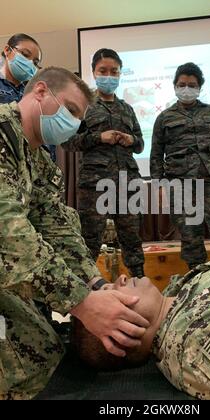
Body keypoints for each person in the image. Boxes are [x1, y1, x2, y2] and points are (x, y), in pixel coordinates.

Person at [0, 66, 149, 400]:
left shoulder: (38, 159)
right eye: (69, 110)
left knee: (44, 347)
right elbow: (10, 238)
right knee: (21, 359)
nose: (72, 123)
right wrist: (82, 304)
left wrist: (96, 284)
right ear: (40, 92)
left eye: (78, 118)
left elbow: (58, 229)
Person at [73, 232, 210, 400]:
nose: (121, 278)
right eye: (111, 292)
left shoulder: (178, 295)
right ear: (123, 333)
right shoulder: (204, 341)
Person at [150, 62, 210, 269]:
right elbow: (156, 155)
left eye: (192, 85)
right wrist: (159, 187)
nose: (187, 89)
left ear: (199, 87)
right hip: (181, 185)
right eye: (182, 84)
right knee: (191, 242)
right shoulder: (164, 118)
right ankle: (198, 287)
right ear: (175, 86)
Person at [62, 48, 145, 278]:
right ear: (93, 72)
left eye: (114, 71)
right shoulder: (81, 105)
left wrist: (131, 140)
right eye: (103, 71)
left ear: (120, 74)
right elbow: (67, 142)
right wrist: (99, 137)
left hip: (127, 184)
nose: (109, 75)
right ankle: (85, 300)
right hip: (95, 185)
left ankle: (141, 288)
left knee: (133, 241)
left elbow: (140, 145)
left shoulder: (127, 109)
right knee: (89, 242)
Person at [0, 33, 56, 162]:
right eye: (25, 55)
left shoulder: (35, 91)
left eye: (35, 62)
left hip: (32, 166)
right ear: (7, 50)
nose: (30, 63)